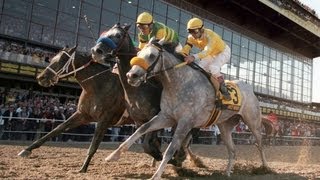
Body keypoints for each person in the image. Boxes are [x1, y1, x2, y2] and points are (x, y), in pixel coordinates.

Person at [180, 17, 231, 101]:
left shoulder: (211, 36)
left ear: (201, 29)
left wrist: (193, 57)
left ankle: (224, 89)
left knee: (213, 67)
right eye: (190, 31)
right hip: (211, 53)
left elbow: (207, 51)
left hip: (223, 52)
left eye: (195, 31)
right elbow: (186, 48)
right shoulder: (191, 38)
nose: (193, 34)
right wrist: (181, 55)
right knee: (200, 68)